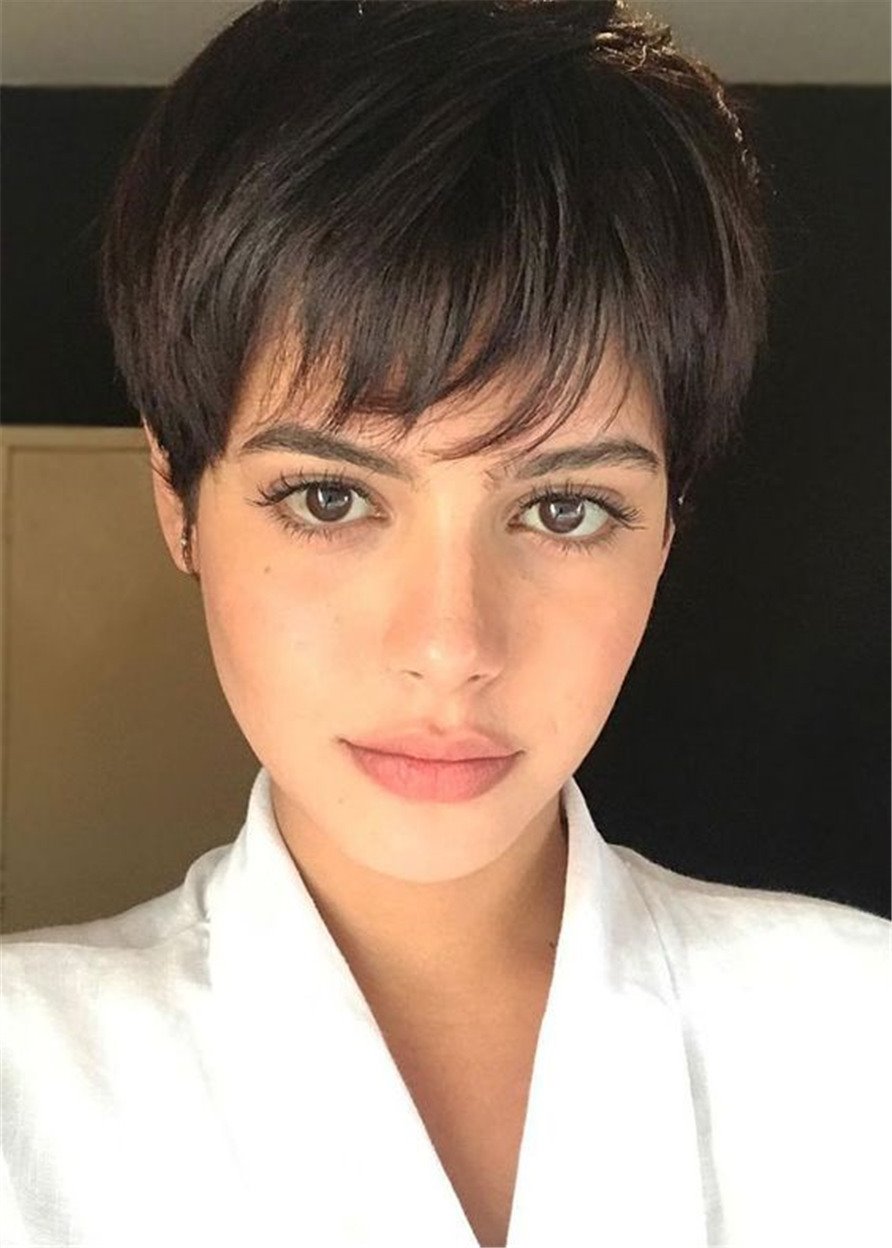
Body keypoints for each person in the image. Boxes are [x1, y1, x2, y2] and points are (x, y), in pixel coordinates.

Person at [1, 3, 888, 1246]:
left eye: (565, 508)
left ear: (666, 527)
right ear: (178, 501)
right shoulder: (27, 1087)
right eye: (330, 497)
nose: (450, 643)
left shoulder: (857, 1036)